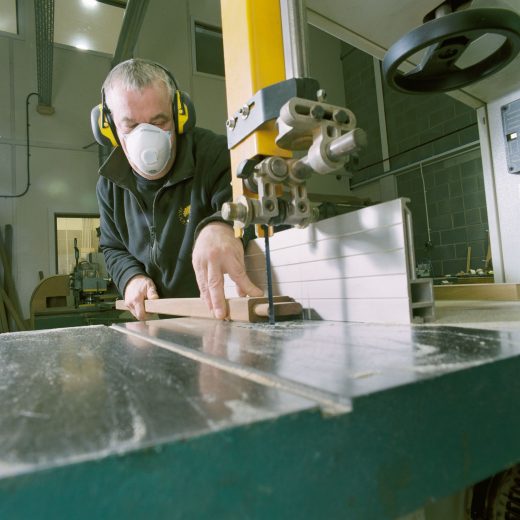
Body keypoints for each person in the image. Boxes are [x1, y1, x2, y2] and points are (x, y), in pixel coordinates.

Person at [95, 58, 262, 321]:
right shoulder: (109, 185)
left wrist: (221, 225)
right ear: (108, 127)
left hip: (229, 314)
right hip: (165, 320)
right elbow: (113, 247)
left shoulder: (216, 154)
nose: (145, 137)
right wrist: (131, 277)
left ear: (180, 114)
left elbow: (253, 203)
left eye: (159, 121)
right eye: (130, 126)